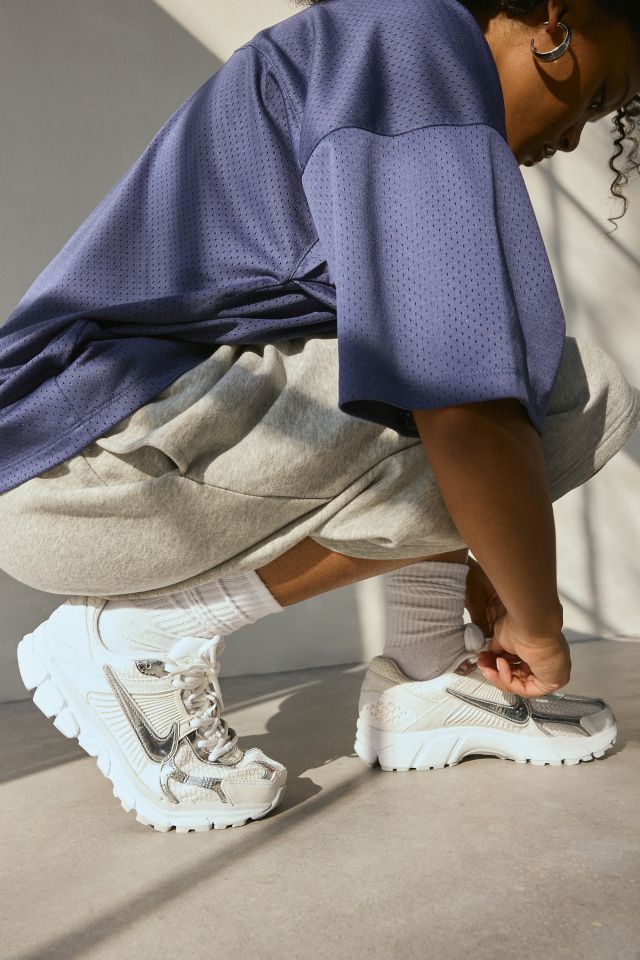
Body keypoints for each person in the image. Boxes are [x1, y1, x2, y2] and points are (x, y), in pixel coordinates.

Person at [1, 0, 639, 832]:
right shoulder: (413, 54)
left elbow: (430, 373)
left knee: (471, 357)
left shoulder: (387, 40)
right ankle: (143, 636)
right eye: (598, 95)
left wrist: (451, 549)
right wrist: (540, 626)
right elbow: (461, 403)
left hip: (89, 456)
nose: (577, 137)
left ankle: (426, 676)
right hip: (80, 461)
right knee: (566, 392)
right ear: (555, 17)